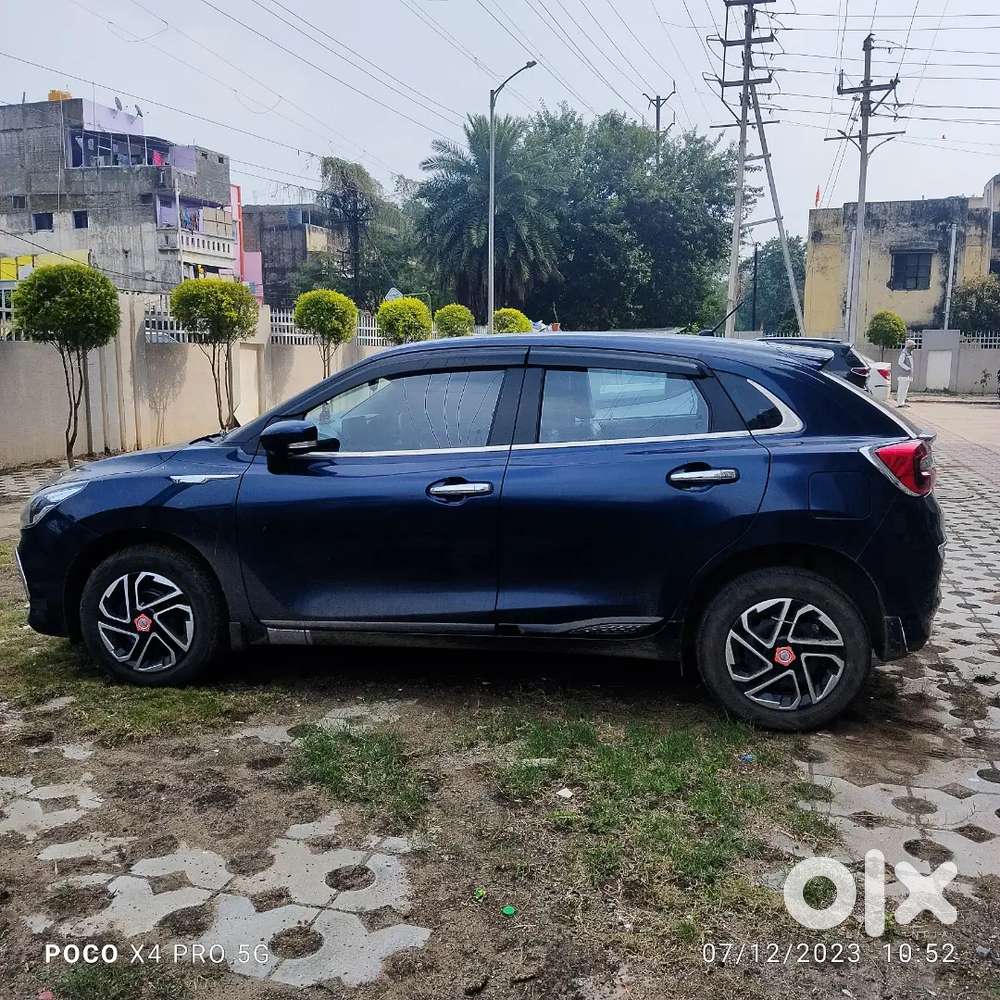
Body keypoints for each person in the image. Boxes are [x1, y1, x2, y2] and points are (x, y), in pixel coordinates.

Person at [896, 338, 916, 407]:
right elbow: (900, 363)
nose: (914, 348)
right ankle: (899, 403)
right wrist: (907, 369)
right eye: (913, 346)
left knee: (905, 389)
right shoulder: (904, 353)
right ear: (909, 346)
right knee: (901, 389)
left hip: (908, 375)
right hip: (903, 375)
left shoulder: (909, 353)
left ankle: (902, 402)